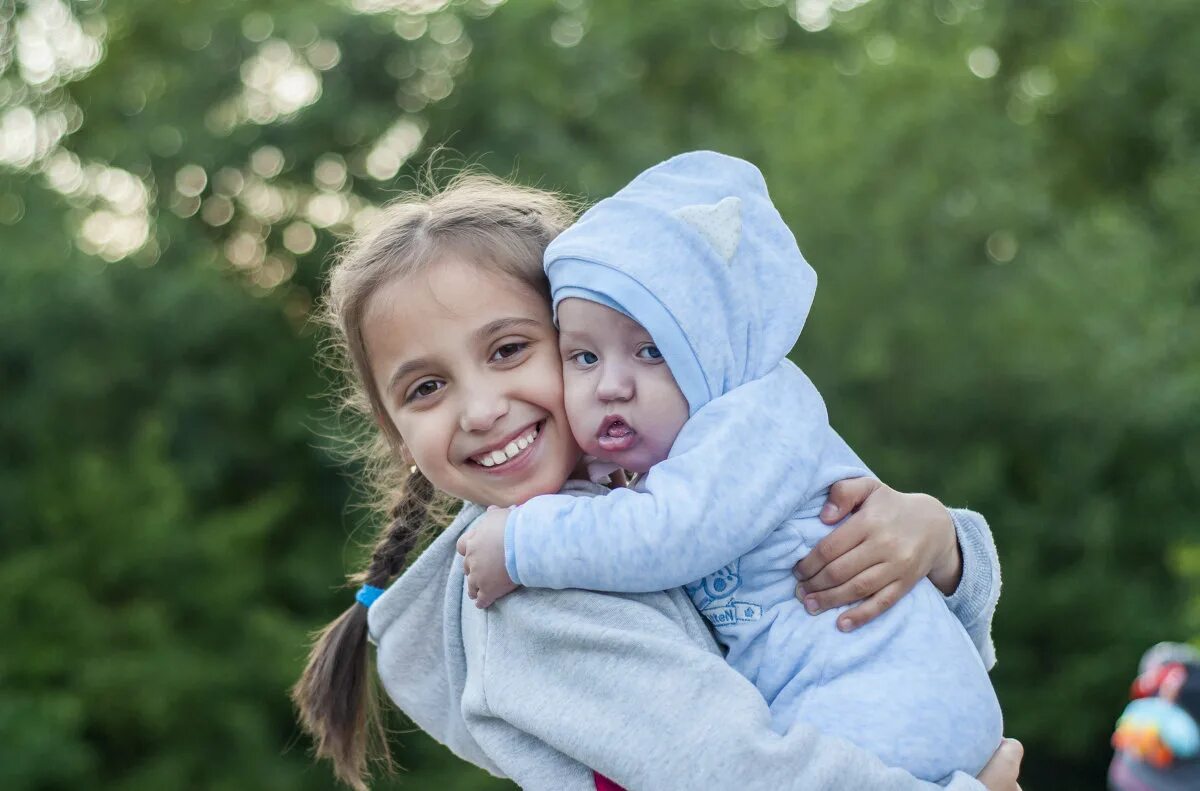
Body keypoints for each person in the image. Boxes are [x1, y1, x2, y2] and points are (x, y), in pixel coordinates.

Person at [292, 171, 1023, 790]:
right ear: (396, 433)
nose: (482, 409)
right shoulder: (536, 595)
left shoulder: (666, 476)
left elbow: (880, 629)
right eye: (425, 388)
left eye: (511, 349)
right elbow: (734, 769)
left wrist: (939, 545)